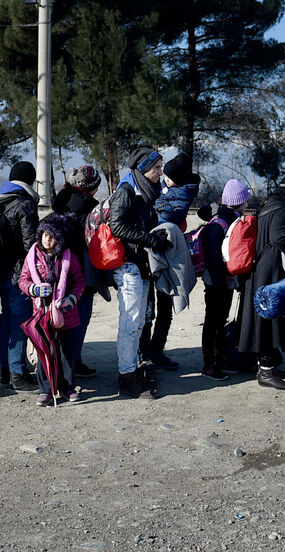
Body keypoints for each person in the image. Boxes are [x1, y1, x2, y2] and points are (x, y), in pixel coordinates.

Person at [107, 146, 172, 398]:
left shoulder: (145, 192)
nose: (160, 172)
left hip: (141, 266)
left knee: (138, 324)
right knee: (130, 324)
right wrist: (151, 240)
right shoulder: (126, 191)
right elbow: (117, 226)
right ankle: (126, 379)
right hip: (128, 266)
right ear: (144, 168)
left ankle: (132, 372)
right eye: (156, 168)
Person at [239, 173, 285, 391]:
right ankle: (266, 372)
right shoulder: (283, 209)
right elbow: (279, 237)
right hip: (271, 271)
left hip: (262, 269)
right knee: (269, 321)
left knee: (265, 319)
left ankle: (267, 367)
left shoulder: (270, 204)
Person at [17, 214, 87, 405]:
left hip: (66, 312)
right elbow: (23, 280)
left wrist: (71, 299)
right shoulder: (32, 257)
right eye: (45, 235)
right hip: (41, 312)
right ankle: (46, 390)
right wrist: (34, 289)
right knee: (44, 351)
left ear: (60, 239)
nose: (47, 240)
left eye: (52, 236)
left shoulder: (69, 257)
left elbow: (79, 281)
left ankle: (67, 388)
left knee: (66, 352)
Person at [140, 153, 199, 372]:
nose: (165, 179)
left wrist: (152, 214)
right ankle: (145, 353)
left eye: (170, 178)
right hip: (153, 252)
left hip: (166, 254)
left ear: (180, 180)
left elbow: (169, 218)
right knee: (148, 310)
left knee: (163, 308)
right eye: (164, 175)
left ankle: (155, 352)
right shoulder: (165, 187)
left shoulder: (183, 193)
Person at [50, 165, 103, 379]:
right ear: (91, 188)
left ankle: (55, 362)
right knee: (81, 317)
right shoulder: (93, 209)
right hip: (83, 270)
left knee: (58, 318)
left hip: (58, 269)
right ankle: (73, 361)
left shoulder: (59, 203)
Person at [0, 161, 40, 392]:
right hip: (19, 275)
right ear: (31, 180)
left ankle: (6, 371)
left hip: (1, 272)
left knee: (7, 321)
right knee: (20, 324)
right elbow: (30, 244)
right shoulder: (25, 204)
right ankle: (18, 375)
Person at [200, 179, 250, 382]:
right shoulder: (221, 224)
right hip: (217, 282)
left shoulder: (225, 220)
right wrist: (220, 282)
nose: (247, 204)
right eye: (245, 200)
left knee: (220, 320)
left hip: (222, 280)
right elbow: (213, 257)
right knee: (213, 321)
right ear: (240, 202)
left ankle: (219, 359)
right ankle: (209, 364)